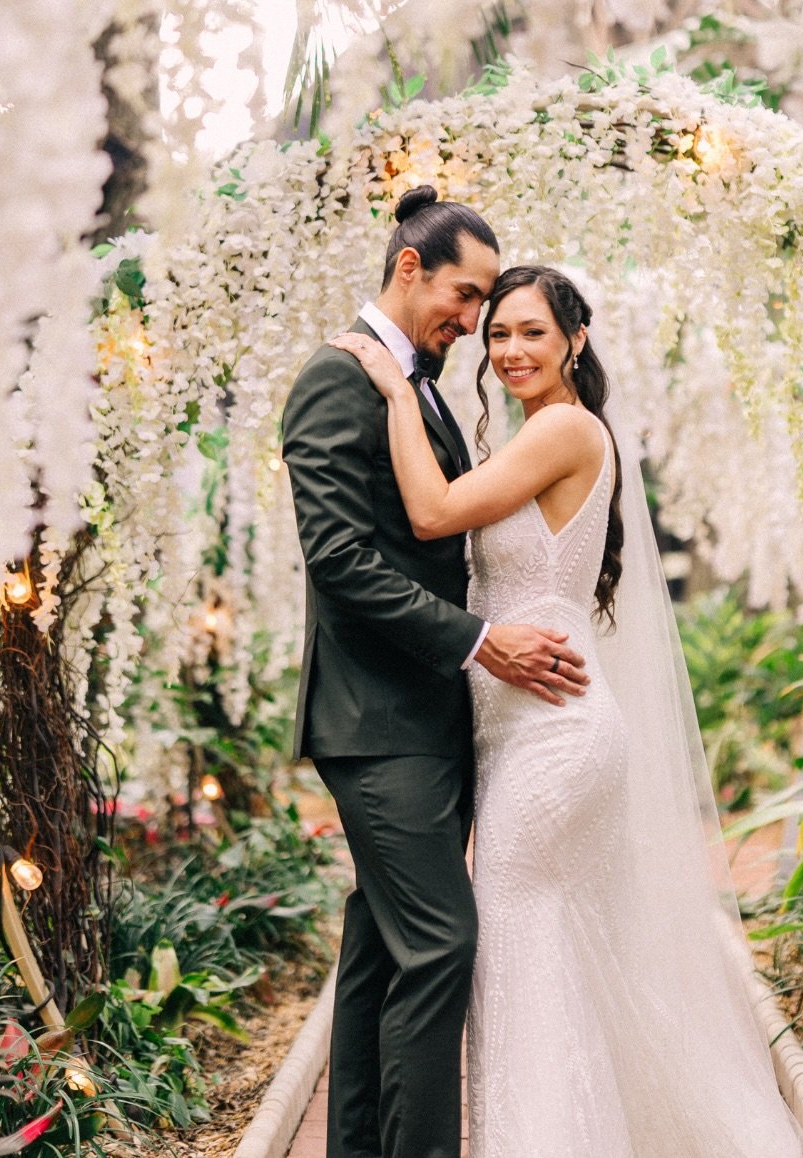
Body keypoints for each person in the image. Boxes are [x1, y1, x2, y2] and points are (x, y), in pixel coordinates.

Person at [334, 264, 803, 1157]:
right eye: (499, 334)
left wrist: (396, 388)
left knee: (519, 959)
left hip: (553, 736)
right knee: (548, 962)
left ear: (575, 342)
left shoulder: (562, 428)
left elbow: (434, 514)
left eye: (533, 334)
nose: (510, 350)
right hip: (522, 732)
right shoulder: (538, 434)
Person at [281, 189, 590, 1158]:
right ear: (409, 267)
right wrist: (475, 642)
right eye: (466, 295)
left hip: (431, 719)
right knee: (442, 945)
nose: (475, 321)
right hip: (376, 721)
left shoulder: (417, 386)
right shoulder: (336, 379)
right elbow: (340, 561)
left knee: (380, 953)